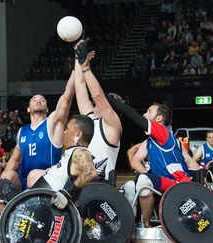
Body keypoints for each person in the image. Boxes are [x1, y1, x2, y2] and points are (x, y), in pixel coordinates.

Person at [0, 70, 75, 211]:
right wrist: (4, 177)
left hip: (47, 177)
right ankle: (5, 226)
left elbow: (67, 96)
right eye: (34, 99)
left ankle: (31, 216)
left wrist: (76, 66)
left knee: (33, 174)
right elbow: (15, 161)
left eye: (42, 100)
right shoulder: (22, 132)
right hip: (24, 180)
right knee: (1, 182)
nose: (38, 100)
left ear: (47, 108)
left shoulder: (52, 123)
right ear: (29, 109)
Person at [106, 97, 191, 228]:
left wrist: (112, 101)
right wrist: (148, 173)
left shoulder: (163, 132)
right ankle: (130, 224)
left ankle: (146, 225)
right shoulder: (150, 141)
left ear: (158, 119)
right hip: (162, 181)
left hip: (177, 183)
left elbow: (134, 117)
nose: (145, 114)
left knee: (144, 182)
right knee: (129, 186)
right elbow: (134, 161)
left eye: (149, 112)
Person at [73, 40, 122, 183]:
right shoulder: (90, 118)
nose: (106, 100)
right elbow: (79, 84)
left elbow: (98, 95)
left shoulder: (113, 125)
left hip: (102, 185)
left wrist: (86, 68)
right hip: (79, 184)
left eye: (110, 101)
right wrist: (78, 58)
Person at [27, 115, 98, 210]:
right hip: (36, 199)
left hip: (42, 205)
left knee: (2, 186)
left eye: (67, 129)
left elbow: (90, 173)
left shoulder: (80, 152)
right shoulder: (73, 152)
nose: (64, 132)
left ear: (78, 134)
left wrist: (67, 193)